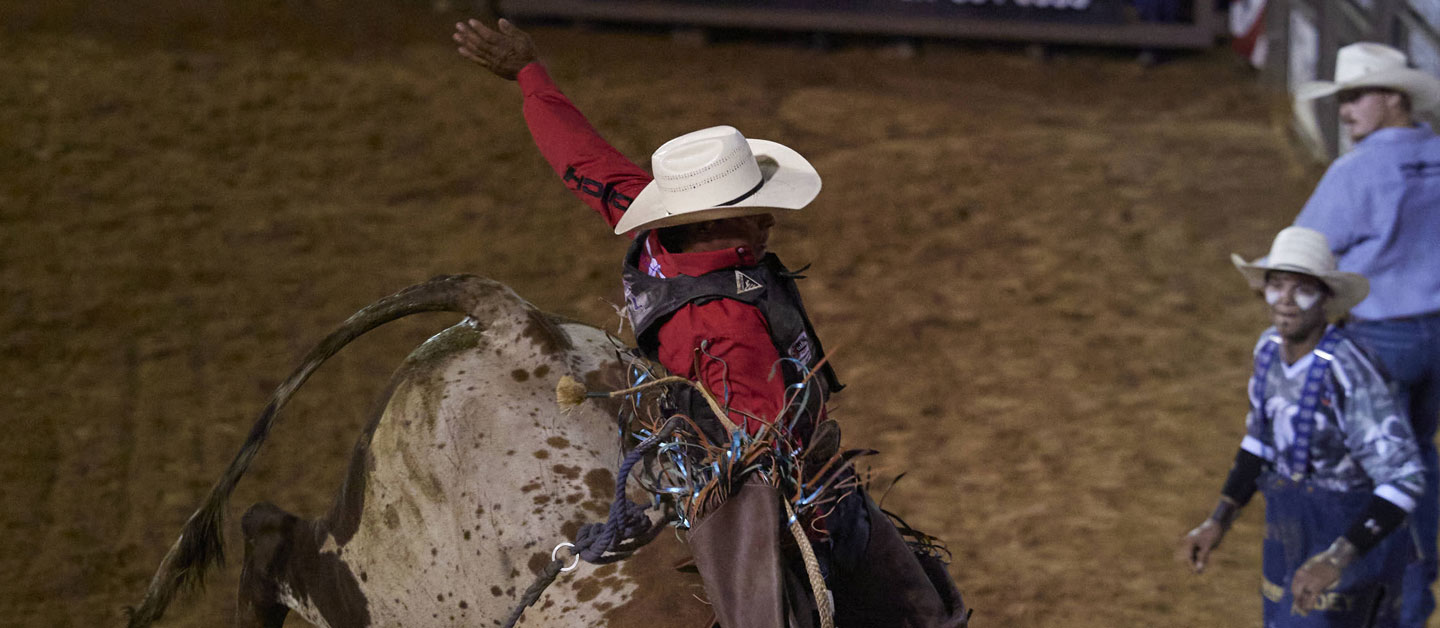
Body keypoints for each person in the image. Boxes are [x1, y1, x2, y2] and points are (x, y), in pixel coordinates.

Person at [453, 17, 968, 628]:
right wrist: (826, 516)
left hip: (691, 445)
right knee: (917, 613)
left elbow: (580, 158)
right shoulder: (725, 324)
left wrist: (530, 75)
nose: (767, 222)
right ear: (707, 222)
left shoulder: (657, 230)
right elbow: (765, 454)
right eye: (752, 211)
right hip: (743, 482)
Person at [1180, 226, 1425, 626]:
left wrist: (1336, 558)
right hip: (1291, 542)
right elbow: (1259, 443)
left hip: (1354, 554)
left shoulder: (1348, 371)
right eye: (1277, 286)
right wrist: (1217, 520)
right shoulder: (1267, 352)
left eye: (1302, 289)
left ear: (1325, 299)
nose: (1287, 302)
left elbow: (1404, 477)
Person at [1293, 41, 1440, 628]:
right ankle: (1415, 600)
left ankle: (1370, 604)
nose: (1345, 110)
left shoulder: (1355, 170)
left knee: (1372, 474)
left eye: (1355, 97)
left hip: (1382, 341)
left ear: (1393, 98)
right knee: (1418, 461)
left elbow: (1305, 256)